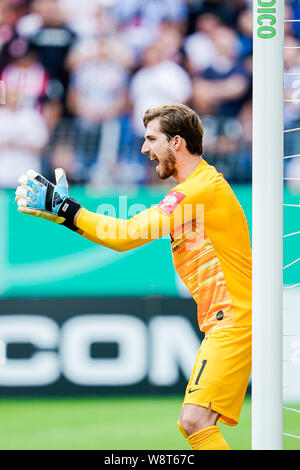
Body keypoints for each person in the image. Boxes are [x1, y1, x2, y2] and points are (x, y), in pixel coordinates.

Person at [15, 103, 252, 450]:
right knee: (194, 422)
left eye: (151, 139)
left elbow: (125, 235)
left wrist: (69, 210)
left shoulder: (199, 189)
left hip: (235, 318)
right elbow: (121, 237)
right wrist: (67, 216)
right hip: (228, 318)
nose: (144, 149)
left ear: (176, 143)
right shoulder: (197, 188)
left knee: (194, 420)